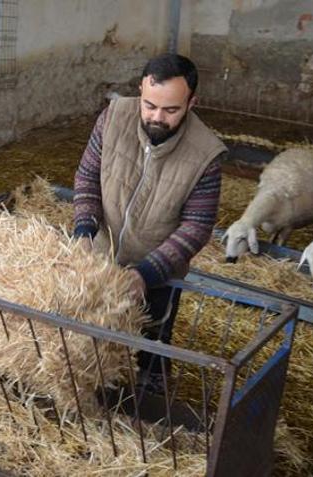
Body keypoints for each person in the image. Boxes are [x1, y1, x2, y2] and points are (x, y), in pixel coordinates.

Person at [73, 53, 226, 400]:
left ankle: (148, 399)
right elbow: (87, 178)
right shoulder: (112, 119)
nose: (156, 116)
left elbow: (196, 228)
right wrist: (83, 230)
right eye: (149, 105)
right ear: (141, 90)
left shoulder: (206, 154)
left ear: (192, 102)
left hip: (158, 271)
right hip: (100, 258)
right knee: (91, 337)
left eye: (170, 110)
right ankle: (94, 392)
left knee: (152, 338)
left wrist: (146, 273)